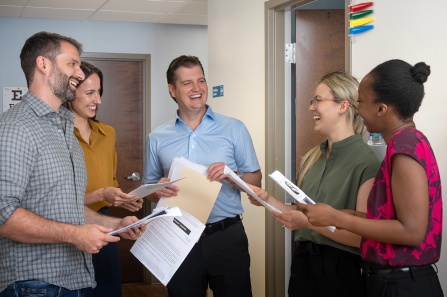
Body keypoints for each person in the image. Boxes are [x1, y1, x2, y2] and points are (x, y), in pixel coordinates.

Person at [0, 31, 144, 297]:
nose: (79, 73)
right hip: (34, 286)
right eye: (72, 64)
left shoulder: (64, 130)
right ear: (43, 65)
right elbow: (3, 214)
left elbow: (67, 207)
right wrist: (75, 235)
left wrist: (116, 225)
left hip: (73, 279)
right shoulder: (15, 127)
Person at [296, 60, 443, 297]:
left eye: (361, 102)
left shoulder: (405, 146)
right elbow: (390, 219)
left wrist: (336, 218)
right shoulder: (405, 142)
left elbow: (412, 232)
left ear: (381, 109)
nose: (358, 110)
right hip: (391, 280)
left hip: (401, 285)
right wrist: (349, 215)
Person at [247, 71, 381, 297]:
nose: (311, 108)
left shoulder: (366, 162)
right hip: (303, 265)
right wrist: (267, 199)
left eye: (318, 101)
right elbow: (303, 214)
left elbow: (363, 237)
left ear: (342, 106)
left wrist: (308, 224)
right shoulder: (313, 158)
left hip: (341, 273)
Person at [143, 55, 262, 297]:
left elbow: (256, 182)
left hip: (227, 237)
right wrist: (157, 190)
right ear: (172, 90)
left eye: (201, 80)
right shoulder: (157, 137)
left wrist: (233, 176)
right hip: (178, 236)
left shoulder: (234, 128)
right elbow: (150, 191)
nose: (197, 89)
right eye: (187, 83)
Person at [67, 61, 144, 297]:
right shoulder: (57, 136)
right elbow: (55, 197)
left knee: (108, 291)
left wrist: (122, 198)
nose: (97, 100)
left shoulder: (107, 132)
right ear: (70, 93)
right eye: (89, 93)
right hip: (68, 226)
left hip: (104, 223)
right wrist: (102, 193)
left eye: (99, 92)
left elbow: (110, 181)